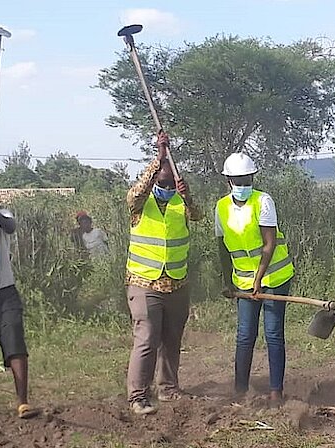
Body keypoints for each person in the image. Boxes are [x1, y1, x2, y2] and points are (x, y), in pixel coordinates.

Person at [125, 131, 201, 415]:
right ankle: (138, 396)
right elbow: (135, 194)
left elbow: (198, 215)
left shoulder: (181, 203)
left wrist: (187, 195)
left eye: (171, 183)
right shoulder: (139, 204)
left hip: (177, 282)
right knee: (147, 337)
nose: (167, 187)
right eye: (162, 182)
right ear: (153, 180)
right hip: (144, 281)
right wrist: (158, 159)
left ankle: (168, 388)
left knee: (172, 338)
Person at [216, 152, 294, 404]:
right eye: (238, 180)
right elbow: (222, 247)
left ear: (253, 178)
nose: (243, 184)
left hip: (273, 277)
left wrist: (258, 279)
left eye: (247, 179)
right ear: (229, 181)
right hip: (243, 282)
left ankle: (276, 392)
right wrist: (227, 281)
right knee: (245, 335)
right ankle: (240, 389)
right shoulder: (221, 207)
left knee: (273, 333)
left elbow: (269, 245)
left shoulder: (263, 201)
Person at [0, 190, 39, 419]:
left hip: (6, 293)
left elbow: (11, 227)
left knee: (15, 342)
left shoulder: (2, 216)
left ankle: (23, 402)